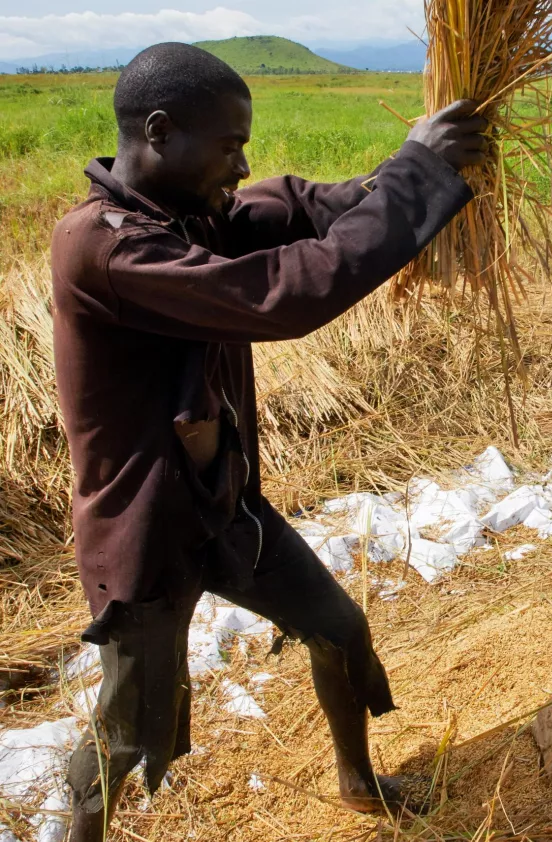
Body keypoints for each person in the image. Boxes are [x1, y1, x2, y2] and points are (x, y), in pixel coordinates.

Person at [50, 42, 487, 841]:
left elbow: (280, 207)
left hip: (223, 509)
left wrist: (393, 180)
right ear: (159, 131)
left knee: (339, 629)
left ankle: (358, 782)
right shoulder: (111, 245)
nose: (240, 164)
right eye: (228, 146)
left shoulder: (185, 214)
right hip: (147, 531)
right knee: (129, 730)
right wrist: (412, 182)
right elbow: (280, 293)